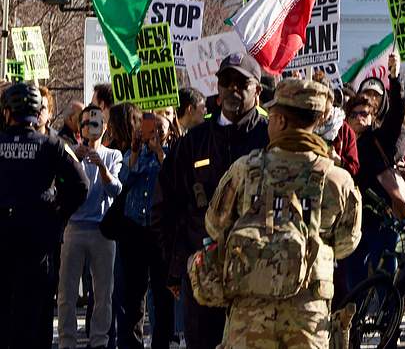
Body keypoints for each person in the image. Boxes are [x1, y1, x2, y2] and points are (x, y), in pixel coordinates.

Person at [204, 77, 362, 348]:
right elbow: (347, 243)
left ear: (279, 121)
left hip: (249, 312)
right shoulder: (337, 179)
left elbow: (214, 225)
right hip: (307, 315)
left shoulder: (245, 169)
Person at [153, 53, 269, 349]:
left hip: (259, 278)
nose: (233, 89)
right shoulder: (193, 142)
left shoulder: (271, 139)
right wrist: (176, 267)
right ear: (217, 88)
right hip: (204, 277)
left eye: (242, 82)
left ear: (257, 90)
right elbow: (165, 207)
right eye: (226, 81)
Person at [0, 83, 88, 349]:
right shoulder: (52, 145)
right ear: (38, 112)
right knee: (36, 321)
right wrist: (57, 215)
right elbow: (80, 185)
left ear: (7, 113)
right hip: (38, 249)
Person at [57, 104, 124, 349]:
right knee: (67, 292)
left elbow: (116, 189)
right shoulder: (71, 153)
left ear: (104, 128)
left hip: (102, 230)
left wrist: (102, 169)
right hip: (74, 228)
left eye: (94, 124)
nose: (89, 128)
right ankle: (67, 341)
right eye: (84, 123)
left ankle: (99, 341)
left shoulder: (112, 155)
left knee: (104, 292)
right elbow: (59, 185)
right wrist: (72, 158)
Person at [344, 53, 405, 288]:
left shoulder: (380, 139)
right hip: (352, 221)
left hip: (382, 220)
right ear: (347, 119)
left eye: (365, 113)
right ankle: (355, 320)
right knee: (354, 281)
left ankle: (388, 322)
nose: (360, 118)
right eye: (355, 114)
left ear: (373, 117)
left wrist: (395, 78)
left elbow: (397, 113)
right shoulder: (340, 145)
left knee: (384, 279)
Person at [117, 109, 175, 349]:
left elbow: (173, 180)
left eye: (160, 129)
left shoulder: (172, 154)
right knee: (134, 295)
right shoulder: (133, 153)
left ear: (169, 132)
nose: (155, 134)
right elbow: (123, 179)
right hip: (135, 230)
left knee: (162, 295)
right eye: (151, 129)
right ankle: (132, 343)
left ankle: (161, 342)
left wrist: (159, 151)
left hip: (160, 232)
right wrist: (135, 150)